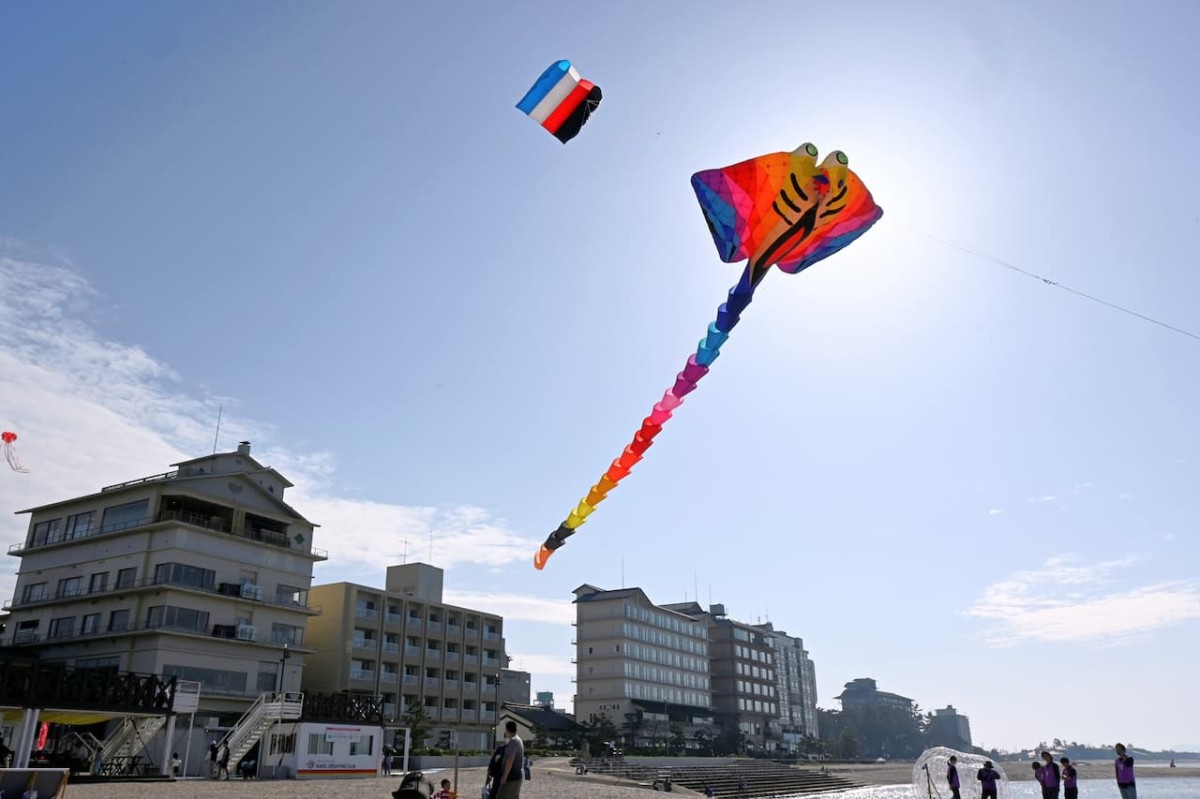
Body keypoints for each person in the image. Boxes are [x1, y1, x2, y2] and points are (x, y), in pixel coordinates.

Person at [498, 721, 524, 799]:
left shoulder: (514, 742)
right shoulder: (518, 740)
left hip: (512, 776)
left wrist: (505, 776)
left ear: (507, 730)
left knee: (502, 796)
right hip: (516, 776)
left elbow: (510, 759)